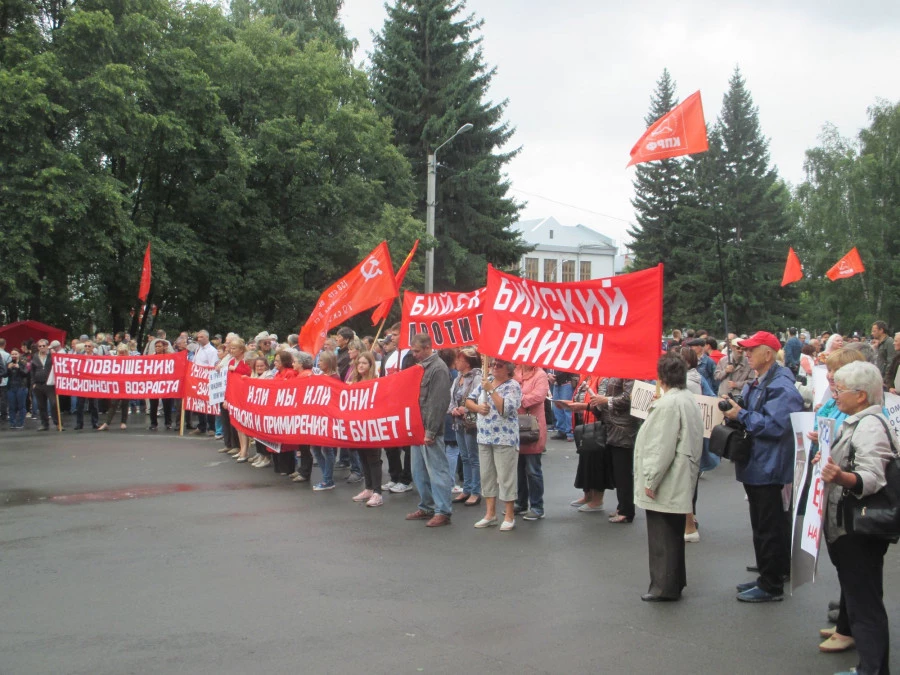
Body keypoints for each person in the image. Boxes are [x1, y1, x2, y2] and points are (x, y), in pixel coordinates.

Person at [817, 361, 894, 675]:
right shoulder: (857, 420)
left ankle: (873, 669)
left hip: (858, 529)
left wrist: (840, 476)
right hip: (850, 527)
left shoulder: (871, 425)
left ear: (861, 396)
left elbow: (872, 478)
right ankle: (862, 654)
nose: (835, 396)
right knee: (859, 594)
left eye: (840, 390)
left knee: (866, 603)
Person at [723, 331, 805, 603]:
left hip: (768, 465)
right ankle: (770, 574)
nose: (746, 353)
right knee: (764, 525)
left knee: (767, 527)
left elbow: (776, 426)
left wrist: (741, 413)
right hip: (760, 463)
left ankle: (770, 584)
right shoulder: (764, 381)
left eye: (751, 349)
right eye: (745, 349)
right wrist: (739, 407)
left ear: (768, 353)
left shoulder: (781, 385)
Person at [634, 355, 704, 602]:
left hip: (669, 478)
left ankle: (663, 587)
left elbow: (660, 448)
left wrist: (650, 480)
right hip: (681, 474)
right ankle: (674, 581)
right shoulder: (685, 399)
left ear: (661, 377)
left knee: (662, 536)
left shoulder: (668, 404)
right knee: (673, 534)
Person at [466, 358, 522, 531]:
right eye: (493, 365)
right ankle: (490, 514)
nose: (494, 368)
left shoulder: (513, 386)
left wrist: (491, 391)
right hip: (484, 436)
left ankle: (509, 515)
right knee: (487, 476)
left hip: (505, 438)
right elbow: (468, 400)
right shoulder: (486, 380)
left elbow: (505, 409)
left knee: (506, 477)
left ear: (509, 369)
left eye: (499, 365)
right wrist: (477, 408)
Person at [405, 334, 453, 528]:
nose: (414, 354)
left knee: (437, 471)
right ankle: (427, 506)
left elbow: (438, 403)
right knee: (419, 472)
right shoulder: (421, 367)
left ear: (427, 348)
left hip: (430, 429)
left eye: (416, 351)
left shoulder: (438, 369)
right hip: (418, 427)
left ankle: (443, 511)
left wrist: (431, 431)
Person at [560, 374, 611, 512]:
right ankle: (587, 495)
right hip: (584, 423)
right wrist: (569, 404)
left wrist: (581, 406)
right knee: (586, 461)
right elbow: (579, 396)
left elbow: (601, 404)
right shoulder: (587, 376)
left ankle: (597, 500)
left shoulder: (603, 378)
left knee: (597, 463)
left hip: (597, 424)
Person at [595, 377, 638, 524]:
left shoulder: (630, 372)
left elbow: (629, 398)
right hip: (614, 426)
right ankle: (622, 507)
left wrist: (606, 400)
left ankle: (627, 510)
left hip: (623, 428)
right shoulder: (617, 372)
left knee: (623, 472)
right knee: (618, 472)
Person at [380, 324, 415, 493]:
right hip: (389, 403)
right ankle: (394, 475)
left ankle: (406, 479)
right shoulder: (389, 355)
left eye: (395, 334)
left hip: (405, 404)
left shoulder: (410, 355)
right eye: (391, 334)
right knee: (390, 442)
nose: (391, 338)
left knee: (407, 444)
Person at [348, 351, 385, 507]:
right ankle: (368, 488)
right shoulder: (354, 381)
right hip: (358, 425)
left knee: (374, 458)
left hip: (371, 425)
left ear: (371, 365)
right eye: (359, 363)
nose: (361, 365)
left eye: (364, 363)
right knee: (363, 456)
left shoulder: (376, 382)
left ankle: (377, 492)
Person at [514, 364, 550, 521]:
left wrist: (517, 400)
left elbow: (539, 396)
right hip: (516, 426)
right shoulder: (515, 371)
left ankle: (537, 506)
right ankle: (520, 503)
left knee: (533, 469)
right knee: (519, 469)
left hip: (533, 428)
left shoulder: (540, 375)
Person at [448, 347, 482, 506]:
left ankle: (476, 490)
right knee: (465, 456)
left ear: (467, 362)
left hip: (471, 422)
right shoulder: (457, 378)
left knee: (473, 457)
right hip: (458, 422)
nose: (456, 362)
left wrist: (465, 408)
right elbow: (451, 398)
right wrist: (453, 409)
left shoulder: (477, 377)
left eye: (459, 360)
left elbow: (480, 398)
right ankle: (467, 488)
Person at [311, 351, 341, 490]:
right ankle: (326, 476)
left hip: (328, 418)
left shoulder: (334, 378)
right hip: (318, 417)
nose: (319, 363)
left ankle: (328, 479)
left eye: (321, 361)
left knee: (327, 450)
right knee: (316, 448)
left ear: (328, 363)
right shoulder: (321, 376)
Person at [97, 344, 132, 431]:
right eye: (119, 353)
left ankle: (123, 422)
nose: (121, 355)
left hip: (126, 384)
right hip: (116, 384)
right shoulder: (114, 360)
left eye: (123, 353)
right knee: (113, 403)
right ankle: (107, 423)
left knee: (125, 403)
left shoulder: (131, 361)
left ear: (126, 353)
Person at [148, 339, 174, 431]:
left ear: (164, 347)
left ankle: (168, 423)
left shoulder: (169, 356)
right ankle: (153, 423)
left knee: (167, 404)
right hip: (154, 383)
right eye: (156, 346)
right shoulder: (152, 357)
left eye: (159, 346)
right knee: (153, 404)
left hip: (166, 383)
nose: (157, 348)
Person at [5, 348, 29, 429]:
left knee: (21, 406)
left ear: (19, 354)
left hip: (21, 387)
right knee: (11, 406)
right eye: (12, 354)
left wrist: (19, 368)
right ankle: (12, 423)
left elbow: (26, 373)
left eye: (15, 354)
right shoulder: (9, 364)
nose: (14, 355)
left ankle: (20, 423)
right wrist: (8, 368)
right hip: (11, 387)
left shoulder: (23, 364)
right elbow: (4, 374)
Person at [549, 369, 576, 441]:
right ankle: (562, 430)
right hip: (558, 383)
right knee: (557, 409)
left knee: (567, 408)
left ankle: (569, 431)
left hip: (566, 382)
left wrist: (551, 376)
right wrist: (549, 375)